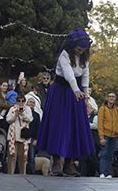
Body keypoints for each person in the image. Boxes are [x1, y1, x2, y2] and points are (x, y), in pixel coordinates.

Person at [35, 30, 96, 177]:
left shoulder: (84, 58)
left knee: (75, 127)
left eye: (83, 50)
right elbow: (69, 74)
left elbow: (85, 75)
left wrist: (86, 95)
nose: (81, 52)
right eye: (79, 49)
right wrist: (76, 90)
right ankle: (57, 163)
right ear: (72, 45)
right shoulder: (64, 54)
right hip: (61, 92)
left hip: (77, 93)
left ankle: (69, 163)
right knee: (59, 126)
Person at [4, 92, 32, 175]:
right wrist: (15, 115)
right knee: (12, 156)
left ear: (24, 101)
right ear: (16, 101)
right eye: (19, 100)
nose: (20, 102)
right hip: (13, 136)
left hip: (23, 137)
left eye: (22, 101)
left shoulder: (27, 109)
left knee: (23, 158)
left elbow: (30, 119)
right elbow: (8, 120)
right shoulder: (12, 109)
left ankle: (23, 174)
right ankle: (10, 174)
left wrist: (22, 114)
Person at [97, 92, 118, 178]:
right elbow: (100, 123)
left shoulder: (117, 110)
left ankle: (107, 173)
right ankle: (102, 172)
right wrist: (101, 137)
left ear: (115, 98)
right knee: (104, 154)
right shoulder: (102, 108)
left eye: (113, 96)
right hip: (105, 135)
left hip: (114, 136)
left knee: (111, 155)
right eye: (110, 96)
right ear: (107, 98)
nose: (111, 98)